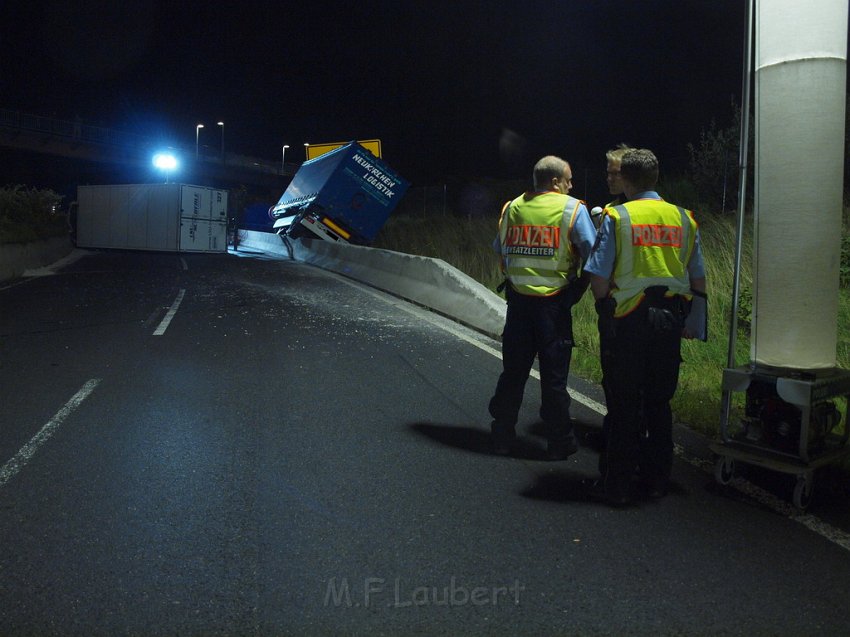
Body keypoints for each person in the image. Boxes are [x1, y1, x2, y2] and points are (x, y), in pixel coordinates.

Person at [583, 148, 707, 506]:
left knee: (623, 407)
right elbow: (697, 277)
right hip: (669, 322)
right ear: (655, 178)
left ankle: (618, 487)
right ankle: (656, 482)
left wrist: (604, 306)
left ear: (626, 178)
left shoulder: (617, 216)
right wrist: (694, 321)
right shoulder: (684, 218)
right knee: (659, 404)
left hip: (627, 322)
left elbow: (599, 274)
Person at [488, 155, 597, 459]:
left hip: (518, 304)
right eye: (568, 179)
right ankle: (558, 442)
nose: (571, 185)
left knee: (513, 374)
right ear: (554, 181)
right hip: (554, 307)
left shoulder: (512, 208)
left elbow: (501, 250)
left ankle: (502, 436)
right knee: (554, 379)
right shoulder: (572, 209)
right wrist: (580, 288)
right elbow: (594, 255)